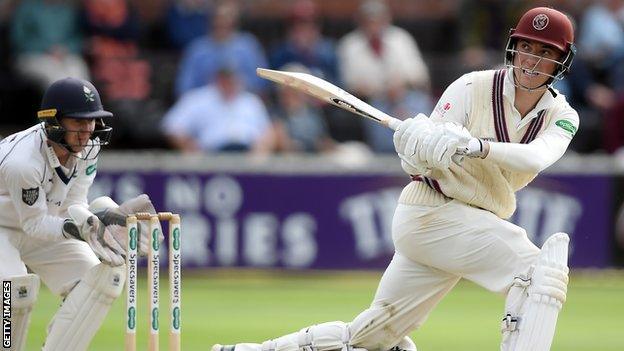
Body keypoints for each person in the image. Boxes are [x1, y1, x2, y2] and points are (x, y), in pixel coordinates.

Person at [212, 6, 578, 351]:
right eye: (526, 47)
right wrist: (416, 145)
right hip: (431, 212)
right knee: (537, 273)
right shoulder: (471, 87)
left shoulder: (563, 116)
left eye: (545, 52)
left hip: (467, 223)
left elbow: (537, 155)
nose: (532, 59)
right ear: (513, 48)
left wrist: (475, 146)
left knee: (373, 338)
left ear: (561, 60)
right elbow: (416, 165)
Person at [0, 77, 159, 350]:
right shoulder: (23, 162)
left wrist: (100, 219)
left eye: (91, 121)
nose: (87, 131)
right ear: (53, 122)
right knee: (14, 295)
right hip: (5, 229)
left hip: (41, 224)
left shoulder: (88, 147)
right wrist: (81, 228)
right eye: (78, 122)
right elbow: (35, 225)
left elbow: (73, 203)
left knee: (105, 280)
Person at [162, 65, 272, 153]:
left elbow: (268, 132)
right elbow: (171, 126)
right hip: (212, 157)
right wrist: (189, 147)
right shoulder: (198, 99)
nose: (229, 82)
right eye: (225, 78)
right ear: (216, 79)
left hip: (247, 155)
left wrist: (260, 153)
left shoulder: (251, 101)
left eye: (232, 78)